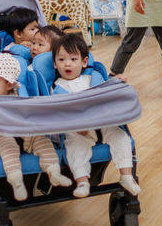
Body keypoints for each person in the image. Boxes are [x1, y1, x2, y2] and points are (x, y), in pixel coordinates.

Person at [52, 35, 140, 198]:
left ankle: (126, 176)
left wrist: (116, 81)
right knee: (74, 147)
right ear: (55, 64)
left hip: (102, 122)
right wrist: (76, 125)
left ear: (84, 62)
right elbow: (61, 112)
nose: (67, 64)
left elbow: (106, 89)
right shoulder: (58, 88)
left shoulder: (93, 78)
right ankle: (82, 181)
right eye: (61, 60)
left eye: (73, 59)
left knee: (121, 137)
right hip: (79, 128)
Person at [0, 54, 72, 201]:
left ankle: (54, 171)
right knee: (9, 150)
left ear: (9, 85)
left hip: (25, 133)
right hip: (3, 136)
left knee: (43, 142)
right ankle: (16, 182)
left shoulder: (19, 94)